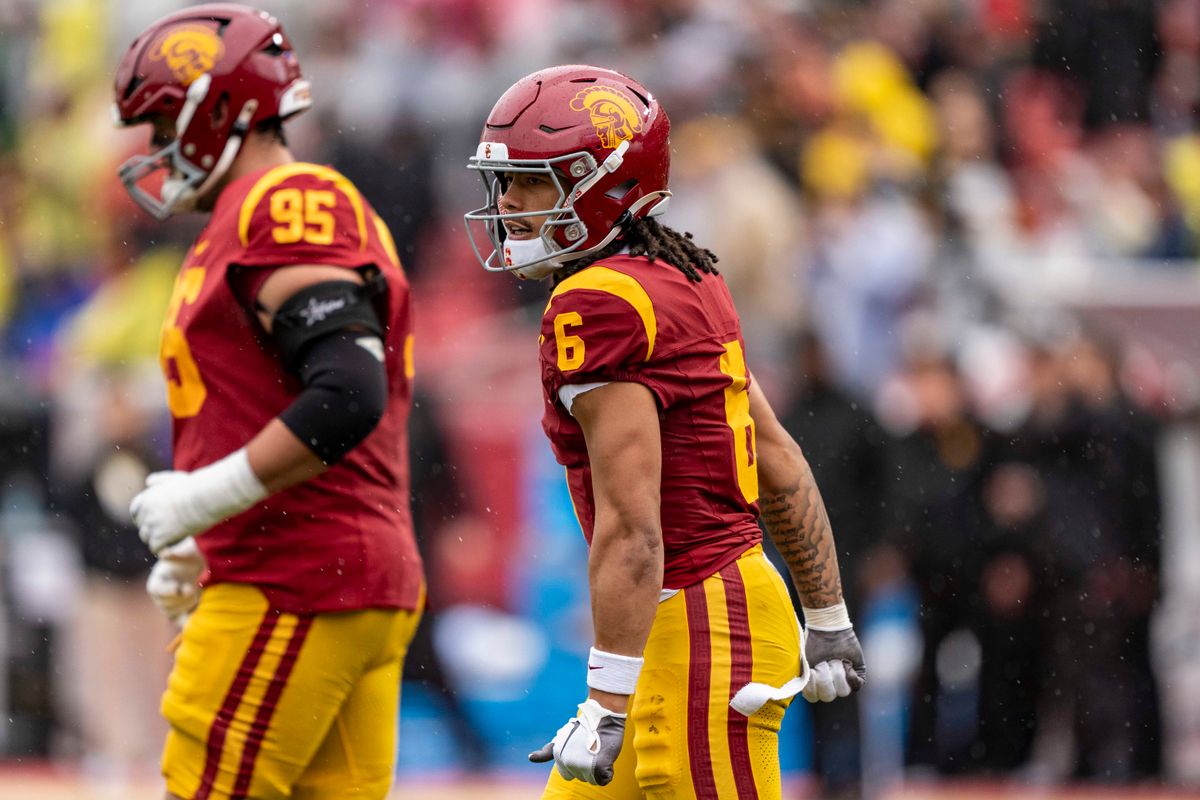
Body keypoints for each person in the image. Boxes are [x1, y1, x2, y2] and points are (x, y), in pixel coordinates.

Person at [464, 64, 867, 798]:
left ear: (605, 185)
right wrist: (826, 612)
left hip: (699, 619)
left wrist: (606, 702)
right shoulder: (681, 274)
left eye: (533, 182)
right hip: (703, 612)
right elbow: (775, 453)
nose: (508, 205)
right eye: (505, 182)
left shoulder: (596, 302)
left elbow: (633, 527)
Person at [112, 6, 423, 799]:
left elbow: (348, 392)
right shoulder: (249, 220)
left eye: (160, 126)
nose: (153, 152)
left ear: (219, 110)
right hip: (340, 573)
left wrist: (206, 498)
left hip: (294, 575)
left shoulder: (282, 204)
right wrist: (200, 538)